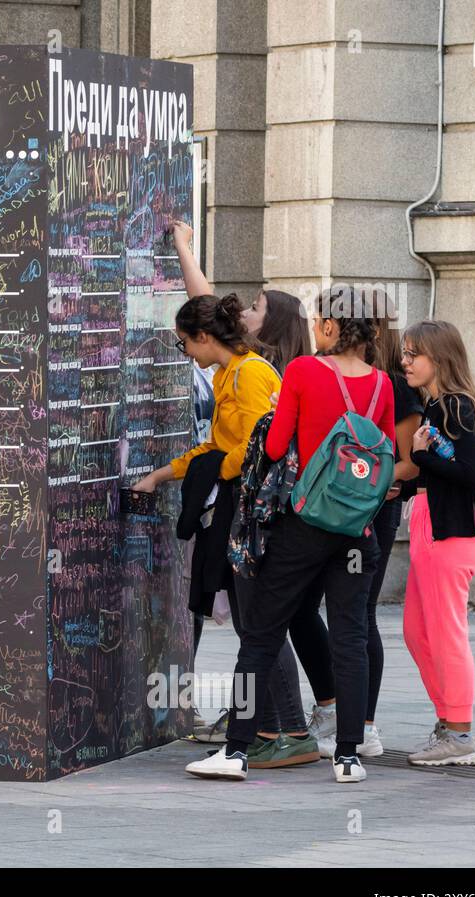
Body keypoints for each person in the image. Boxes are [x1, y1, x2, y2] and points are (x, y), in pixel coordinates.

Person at [185, 289, 394, 783]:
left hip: (302, 524)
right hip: (356, 532)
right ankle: (347, 756)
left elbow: (277, 444)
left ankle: (235, 753)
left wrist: (284, 415)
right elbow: (383, 457)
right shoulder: (383, 384)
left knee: (259, 635)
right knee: (350, 637)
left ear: (329, 327)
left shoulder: (302, 372)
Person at [167, 222, 318, 767]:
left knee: (260, 626)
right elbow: (224, 444)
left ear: (206, 338)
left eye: (185, 342)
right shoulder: (233, 373)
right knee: (258, 625)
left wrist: (213, 470)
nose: (185, 352)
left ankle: (283, 731)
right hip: (244, 508)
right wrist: (169, 474)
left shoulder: (250, 375)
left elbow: (258, 448)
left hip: (255, 513)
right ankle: (276, 730)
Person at [287, 287, 423, 758]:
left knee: (358, 616)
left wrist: (369, 483)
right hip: (338, 507)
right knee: (310, 609)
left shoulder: (392, 385)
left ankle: (362, 725)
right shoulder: (348, 376)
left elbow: (403, 462)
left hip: (370, 510)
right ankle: (335, 709)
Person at [400, 319, 475, 766]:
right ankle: (449, 723)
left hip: (450, 533)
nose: (405, 362)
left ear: (439, 357)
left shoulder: (456, 406)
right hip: (431, 526)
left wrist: (419, 456)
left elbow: (469, 473)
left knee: (446, 635)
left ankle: (459, 734)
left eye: (413, 353)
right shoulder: (438, 404)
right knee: (419, 633)